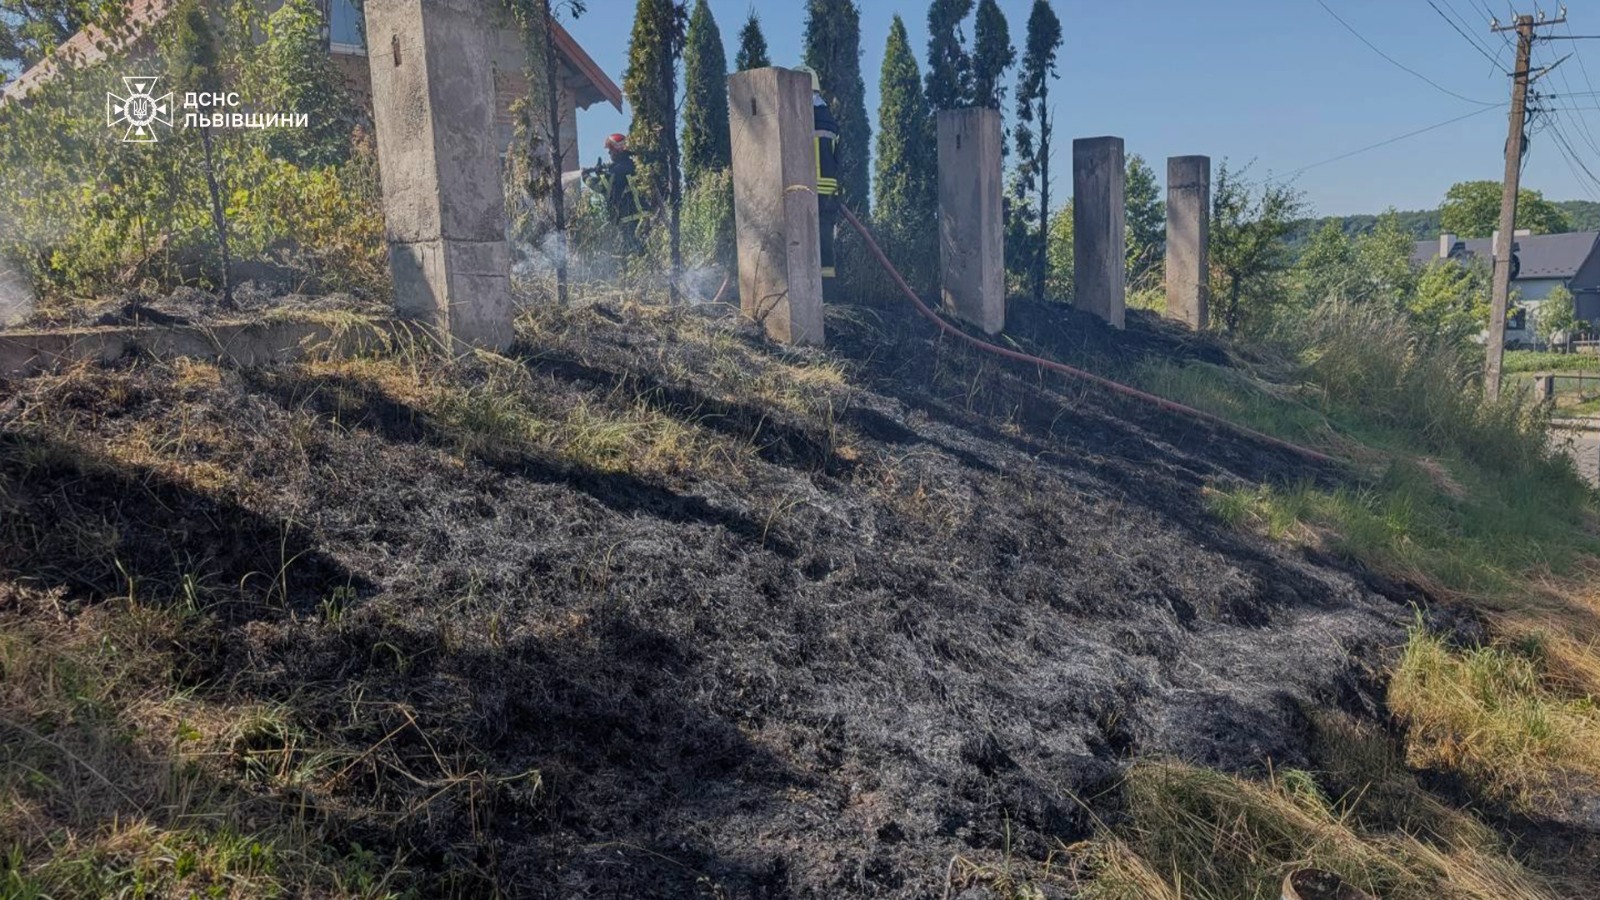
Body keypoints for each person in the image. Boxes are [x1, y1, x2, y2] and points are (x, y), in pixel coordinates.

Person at [796, 65, 839, 298]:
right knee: (825, 249)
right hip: (829, 195)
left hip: (806, 192)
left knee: (803, 246)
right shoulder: (829, 119)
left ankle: (810, 298)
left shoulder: (801, 116)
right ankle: (829, 300)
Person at [583, 132, 645, 250]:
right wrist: (601, 172)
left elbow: (601, 186)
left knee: (627, 251)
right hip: (643, 216)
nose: (609, 153)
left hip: (629, 218)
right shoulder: (633, 165)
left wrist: (585, 176)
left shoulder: (616, 171)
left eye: (611, 150)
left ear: (618, 150)